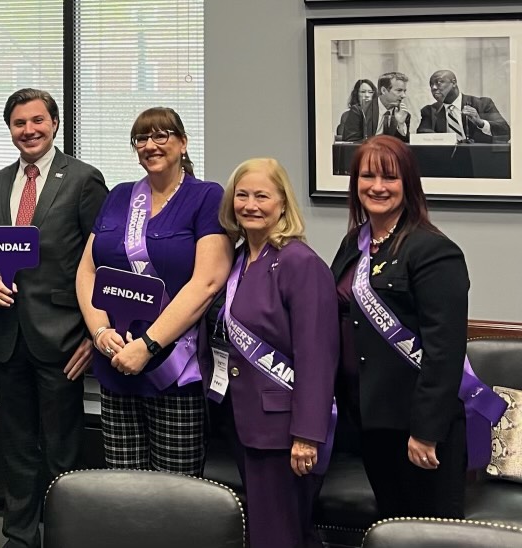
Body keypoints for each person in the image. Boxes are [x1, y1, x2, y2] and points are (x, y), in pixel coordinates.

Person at [0, 88, 108, 548]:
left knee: (62, 450)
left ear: (54, 124)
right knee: (16, 447)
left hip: (64, 337)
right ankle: (18, 537)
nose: (29, 131)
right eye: (19, 123)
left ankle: (62, 535)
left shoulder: (83, 179)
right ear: (9, 129)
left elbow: (105, 262)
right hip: (8, 336)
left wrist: (96, 335)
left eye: (37, 121)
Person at [76, 107, 230, 474]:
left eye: (161, 136)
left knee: (176, 492)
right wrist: (99, 332)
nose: (150, 145)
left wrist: (147, 347)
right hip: (116, 364)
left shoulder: (206, 197)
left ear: (182, 143)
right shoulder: (119, 196)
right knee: (123, 486)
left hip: (173, 369)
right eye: (142, 138)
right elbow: (87, 270)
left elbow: (207, 282)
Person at [330, 135, 469, 519]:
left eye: (389, 177)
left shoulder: (432, 250)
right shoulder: (353, 245)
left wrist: (426, 431)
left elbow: (445, 350)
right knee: (391, 527)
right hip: (371, 420)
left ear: (408, 183)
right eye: (366, 175)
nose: (377, 186)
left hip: (417, 426)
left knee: (427, 535)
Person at [210, 158, 338, 548]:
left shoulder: (301, 264)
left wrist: (307, 436)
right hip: (237, 418)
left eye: (262, 196)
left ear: (283, 203)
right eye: (242, 195)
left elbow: (317, 356)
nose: (250, 205)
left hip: (282, 431)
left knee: (277, 535)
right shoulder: (235, 258)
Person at [416, 69, 510, 143]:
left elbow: (505, 132)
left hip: (479, 160)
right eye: (431, 85)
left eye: (439, 82)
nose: (434, 87)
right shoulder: (430, 111)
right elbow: (422, 136)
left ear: (454, 83)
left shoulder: (482, 104)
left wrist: (480, 123)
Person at [342, 72, 411, 143]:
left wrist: (401, 124)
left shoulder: (404, 114)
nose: (403, 95)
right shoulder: (360, 111)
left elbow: (403, 147)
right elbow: (350, 143)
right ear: (383, 90)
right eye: (399, 90)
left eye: (404, 91)